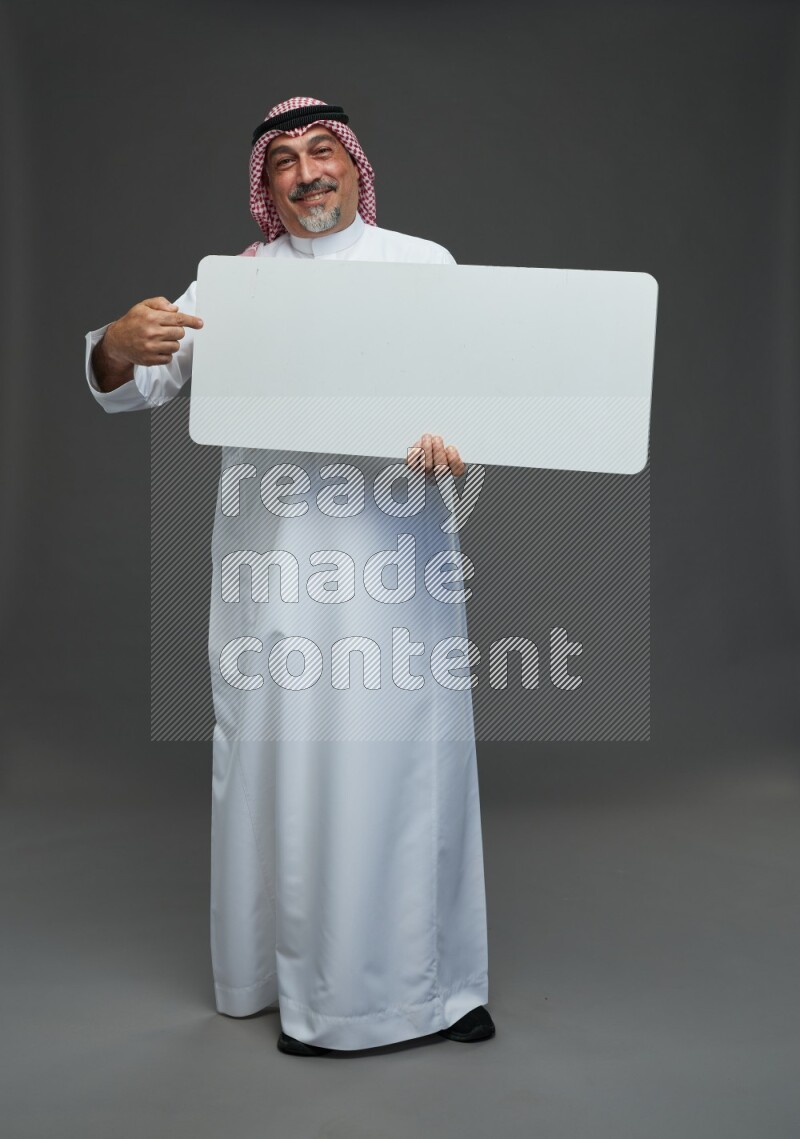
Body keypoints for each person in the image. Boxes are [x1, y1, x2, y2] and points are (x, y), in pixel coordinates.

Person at [84, 96, 494, 1056]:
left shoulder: (423, 267)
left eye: (324, 153)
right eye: (285, 163)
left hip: (397, 572)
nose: (309, 173)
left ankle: (437, 988)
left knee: (410, 773)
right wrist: (115, 340)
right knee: (294, 771)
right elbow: (135, 380)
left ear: (355, 165)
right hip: (276, 576)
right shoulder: (232, 284)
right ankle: (294, 984)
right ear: (265, 187)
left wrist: (459, 441)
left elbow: (482, 395)